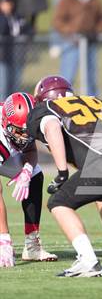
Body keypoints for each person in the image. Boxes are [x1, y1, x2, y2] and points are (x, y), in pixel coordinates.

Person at [25, 75, 102, 277]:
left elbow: (52, 126)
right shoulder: (93, 101)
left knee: (58, 202)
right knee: (101, 195)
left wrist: (61, 172)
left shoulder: (45, 109)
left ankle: (87, 261)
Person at [0, 92, 57, 267]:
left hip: (6, 149)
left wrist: (27, 169)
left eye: (28, 131)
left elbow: (30, 150)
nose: (24, 137)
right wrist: (4, 240)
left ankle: (32, 246)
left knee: (35, 175)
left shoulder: (22, 122)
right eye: (19, 132)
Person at [53, 0, 102, 97]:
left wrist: (95, 32)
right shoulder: (67, 0)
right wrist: (71, 32)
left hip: (89, 44)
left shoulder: (94, 0)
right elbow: (58, 21)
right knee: (67, 77)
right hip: (71, 44)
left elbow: (101, 20)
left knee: (90, 78)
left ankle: (92, 105)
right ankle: (62, 104)